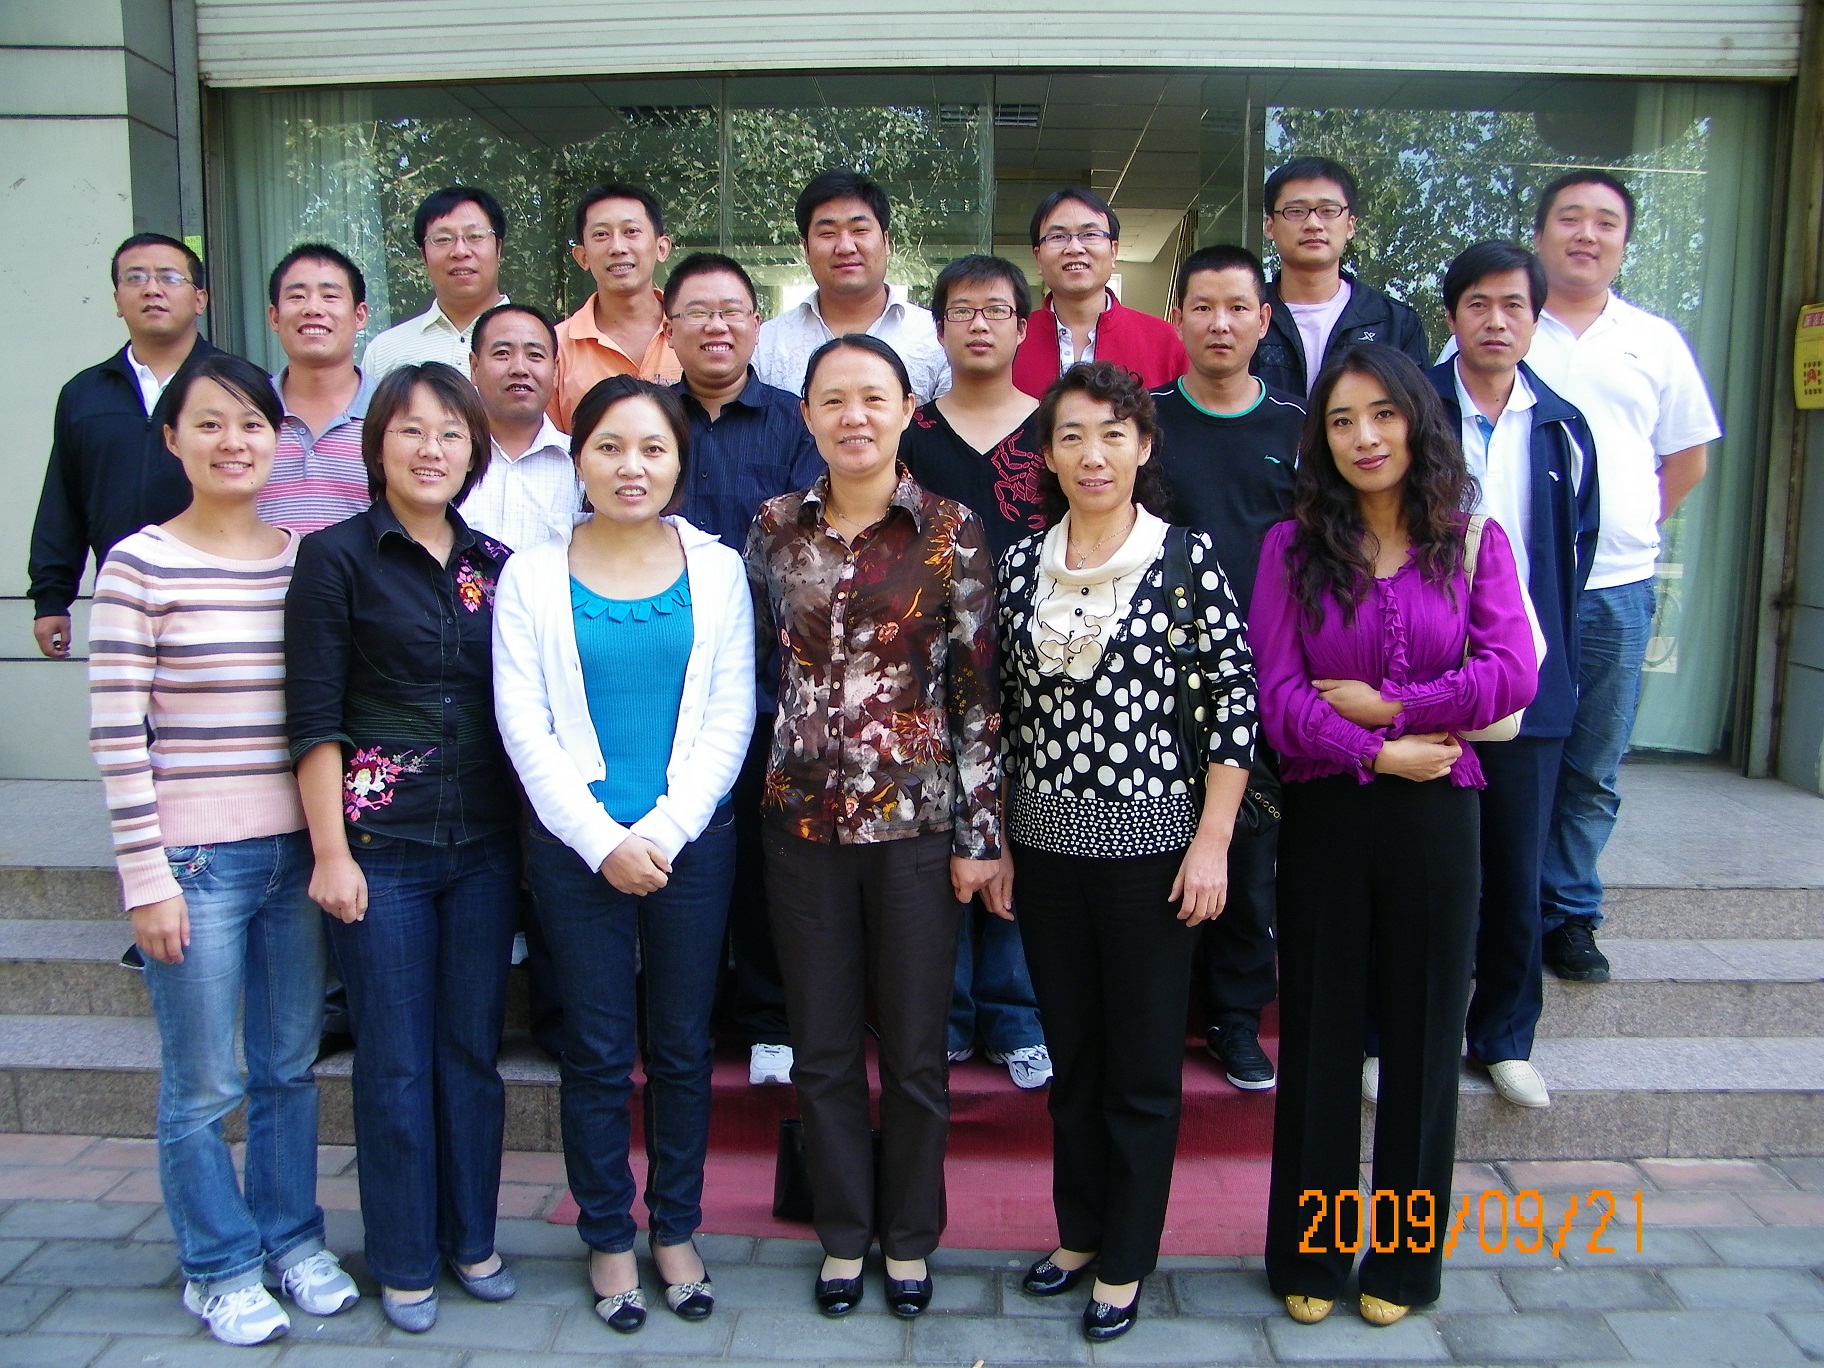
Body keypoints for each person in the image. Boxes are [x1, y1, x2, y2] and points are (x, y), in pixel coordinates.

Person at [1252, 345, 1537, 1327]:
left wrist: (1395, 708)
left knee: (1422, 1039)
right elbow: (1278, 697)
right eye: (1341, 420)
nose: (1364, 437)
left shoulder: (1470, 540)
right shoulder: (1292, 549)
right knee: (1320, 1035)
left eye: (1382, 414)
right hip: (1329, 813)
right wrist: (1379, 751)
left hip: (1439, 814)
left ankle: (1406, 1265)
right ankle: (1312, 1252)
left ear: (1418, 421)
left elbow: (1511, 672)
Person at [88, 353, 359, 1346]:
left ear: (278, 440)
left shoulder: (306, 560)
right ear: (173, 440)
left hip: (295, 852)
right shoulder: (138, 564)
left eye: (252, 424)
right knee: (204, 1081)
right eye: (209, 424)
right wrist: (143, 877)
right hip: (194, 862)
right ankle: (217, 1265)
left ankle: (290, 1240)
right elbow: (117, 735)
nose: (234, 442)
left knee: (287, 1066)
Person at [744, 334, 1001, 1320]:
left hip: (917, 829)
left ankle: (911, 1239)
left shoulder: (952, 530)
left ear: (905, 412)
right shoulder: (773, 527)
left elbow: (978, 696)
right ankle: (844, 1236)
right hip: (800, 826)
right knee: (819, 1048)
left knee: (916, 1053)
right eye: (834, 399)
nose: (854, 416)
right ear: (807, 415)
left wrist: (981, 837)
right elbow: (756, 667)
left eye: (874, 397)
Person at [998, 360, 1255, 1344]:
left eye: (1113, 433)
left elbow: (1234, 707)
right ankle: (1079, 1234)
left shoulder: (1185, 560)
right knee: (1075, 1058)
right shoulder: (1022, 566)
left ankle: (1126, 1260)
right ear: (1049, 453)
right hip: (1046, 852)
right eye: (1071, 435)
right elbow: (1006, 717)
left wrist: (1212, 844)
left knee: (1142, 1068)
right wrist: (1003, 840)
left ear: (1144, 446)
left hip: (1154, 856)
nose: (1092, 453)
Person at [494, 375, 754, 1333]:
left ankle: (675, 1228)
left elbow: (731, 711)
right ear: (579, 460)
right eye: (609, 447)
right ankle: (608, 1235)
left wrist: (666, 831)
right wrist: (604, 841)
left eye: (652, 448)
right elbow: (523, 723)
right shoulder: (531, 575)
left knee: (682, 1048)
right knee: (597, 1052)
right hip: (575, 850)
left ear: (679, 461)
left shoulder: (718, 570)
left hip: (692, 845)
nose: (630, 467)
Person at [285, 361, 520, 1334]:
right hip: (377, 848)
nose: (432, 449)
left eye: (451, 433)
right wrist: (330, 853)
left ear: (474, 452)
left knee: (471, 1054)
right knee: (392, 1061)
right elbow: (313, 716)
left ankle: (473, 1239)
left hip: (486, 849)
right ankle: (403, 1256)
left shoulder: (497, 564)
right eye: (411, 430)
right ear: (377, 444)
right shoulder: (335, 557)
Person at [1525, 171, 1720, 983]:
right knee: (1507, 751)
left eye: (1605, 222)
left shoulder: (1655, 340)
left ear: (1623, 242)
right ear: (1540, 234)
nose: (1586, 234)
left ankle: (1569, 911)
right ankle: (1500, 906)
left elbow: (1687, 459)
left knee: (1593, 760)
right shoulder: (1505, 325)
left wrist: (1625, 531)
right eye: (1570, 218)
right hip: (1515, 591)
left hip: (1615, 588)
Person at [1419, 240, 1598, 1109]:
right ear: (1452, 315)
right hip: (1416, 673)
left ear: (1536, 317)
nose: (1496, 321)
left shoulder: (1562, 426)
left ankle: (1504, 1037)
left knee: (1515, 871)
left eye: (1514, 305)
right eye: (1479, 304)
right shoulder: (1412, 410)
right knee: (1416, 873)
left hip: (1528, 680)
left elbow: (1575, 551)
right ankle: (1392, 1034)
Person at [661, 250, 823, 1087]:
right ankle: (676, 1019)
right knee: (675, 844)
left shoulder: (796, 422)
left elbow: (806, 546)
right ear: (670, 327)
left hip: (769, 681)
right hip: (663, 677)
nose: (716, 326)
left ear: (758, 324)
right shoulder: (648, 417)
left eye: (731, 310)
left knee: (765, 860)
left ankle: (767, 1018)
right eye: (697, 311)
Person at [1153, 245, 1305, 1092]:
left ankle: (1236, 1017)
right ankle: (1160, 1007)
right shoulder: (1144, 423)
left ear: (1263, 320)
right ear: (1177, 317)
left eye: (1238, 307)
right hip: (1154, 679)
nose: (1220, 323)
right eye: (1203, 307)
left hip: (1265, 678)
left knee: (1247, 860)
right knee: (1154, 850)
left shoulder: (1296, 429)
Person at [899, 254, 1052, 1091]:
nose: (980, 324)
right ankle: (949, 1012)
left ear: (1024, 327)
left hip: (1040, 662)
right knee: (942, 831)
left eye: (997, 310)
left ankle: (1016, 1013)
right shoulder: (911, 435)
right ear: (940, 328)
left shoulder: (1057, 427)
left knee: (1022, 827)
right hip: (927, 669)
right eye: (962, 310)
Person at [30, 233, 219, 662]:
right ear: (117, 300)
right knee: (125, 702)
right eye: (135, 278)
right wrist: (51, 598)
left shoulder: (234, 383)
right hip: (121, 593)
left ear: (200, 299)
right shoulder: (84, 393)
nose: (152, 289)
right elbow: (63, 500)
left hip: (218, 590)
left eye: (169, 277)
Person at [753, 169, 949, 402]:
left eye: (860, 230)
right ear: (806, 248)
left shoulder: (938, 339)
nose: (845, 247)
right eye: (828, 233)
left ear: (886, 241)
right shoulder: (766, 344)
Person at [1253, 157, 1429, 398]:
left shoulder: (1394, 322)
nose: (1313, 224)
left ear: (1350, 225)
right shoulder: (1245, 316)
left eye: (1328, 211)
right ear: (1269, 226)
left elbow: (1416, 411)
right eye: (1296, 211)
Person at [1010, 188, 1186, 398]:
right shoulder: (1010, 340)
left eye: (1089, 234)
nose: (1074, 248)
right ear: (1038, 258)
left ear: (1113, 251)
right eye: (1058, 236)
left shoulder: (1165, 341)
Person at [257, 243, 376, 534]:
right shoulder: (247, 412)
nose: (313, 309)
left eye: (330, 296)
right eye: (297, 296)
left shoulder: (394, 413)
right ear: (274, 317)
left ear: (360, 315)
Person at [550, 183, 684, 431]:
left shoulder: (693, 330)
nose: (617, 248)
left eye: (631, 231)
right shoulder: (555, 347)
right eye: (601, 235)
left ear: (661, 247)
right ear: (582, 257)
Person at [462, 302, 581, 550]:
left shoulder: (582, 465)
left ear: (555, 371)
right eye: (502, 353)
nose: (519, 369)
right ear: (474, 367)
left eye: (534, 355)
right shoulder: (446, 458)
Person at [361, 186, 508, 379]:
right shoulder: (384, 352)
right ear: (423, 255)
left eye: (475, 236)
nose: (460, 251)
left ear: (498, 248)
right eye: (443, 239)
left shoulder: (540, 343)